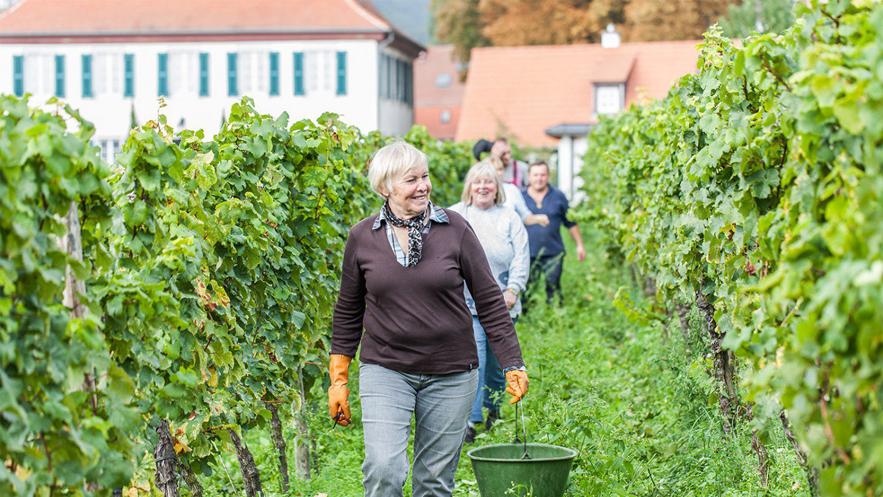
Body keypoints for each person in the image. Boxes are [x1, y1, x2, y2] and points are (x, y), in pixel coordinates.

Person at [328, 141, 530, 497]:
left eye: (425, 177)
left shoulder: (455, 228)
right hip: (386, 368)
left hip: (452, 372)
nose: (423, 186)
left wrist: (513, 362)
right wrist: (339, 376)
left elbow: (489, 299)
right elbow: (348, 309)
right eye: (411, 180)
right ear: (385, 187)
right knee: (383, 469)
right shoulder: (362, 237)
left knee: (433, 483)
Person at [449, 161, 530, 443]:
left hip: (501, 305)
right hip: (466, 306)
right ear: (469, 187)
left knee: (498, 366)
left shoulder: (509, 217)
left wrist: (513, 290)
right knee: (475, 363)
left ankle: (493, 409)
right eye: (477, 182)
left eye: (489, 182)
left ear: (497, 188)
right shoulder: (456, 215)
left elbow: (521, 256)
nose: (482, 187)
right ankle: (471, 422)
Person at [522, 161, 586, 303]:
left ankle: (555, 316)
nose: (539, 178)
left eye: (543, 175)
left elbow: (570, 222)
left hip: (553, 252)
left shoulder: (558, 196)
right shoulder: (520, 197)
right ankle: (527, 320)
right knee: (527, 290)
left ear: (548, 176)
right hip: (527, 253)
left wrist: (579, 245)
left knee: (553, 288)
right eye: (536, 175)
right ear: (529, 177)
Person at [486, 156, 549, 227]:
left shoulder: (512, 190)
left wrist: (538, 219)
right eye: (494, 170)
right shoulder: (481, 191)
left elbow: (525, 216)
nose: (498, 173)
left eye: (500, 169)